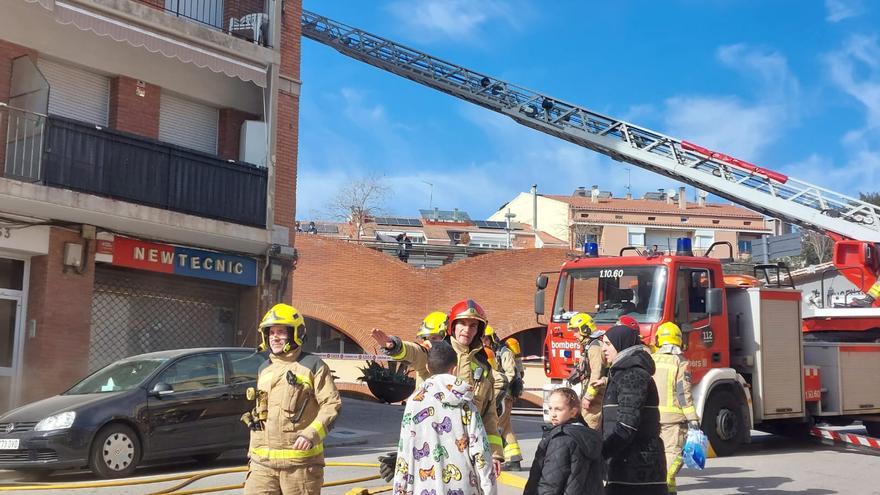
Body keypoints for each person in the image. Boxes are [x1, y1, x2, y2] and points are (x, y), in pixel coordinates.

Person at [373, 299, 505, 473]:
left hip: (467, 453)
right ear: (452, 326)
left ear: (479, 329)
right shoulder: (437, 351)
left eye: (473, 326)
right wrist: (395, 346)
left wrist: (494, 454)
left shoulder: (483, 366)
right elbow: (415, 352)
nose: (467, 330)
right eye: (462, 324)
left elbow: (489, 414)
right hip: (432, 448)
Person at [243, 304, 342, 495]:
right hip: (262, 464)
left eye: (281, 332)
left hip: (300, 467)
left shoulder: (313, 366)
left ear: (296, 333)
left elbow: (331, 405)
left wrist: (311, 433)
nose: (275, 337)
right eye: (271, 332)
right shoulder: (264, 368)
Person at [393, 341, 497, 495]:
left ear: (428, 368)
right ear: (454, 370)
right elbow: (481, 451)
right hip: (464, 487)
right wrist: (489, 490)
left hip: (422, 488)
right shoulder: (466, 403)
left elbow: (404, 451)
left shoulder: (413, 404)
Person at [600, 325, 666, 495]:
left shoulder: (632, 375)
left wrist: (601, 453)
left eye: (607, 343)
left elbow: (627, 425)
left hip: (637, 469)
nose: (603, 348)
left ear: (621, 344)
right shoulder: (620, 373)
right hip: (624, 463)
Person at [524, 387, 604, 495]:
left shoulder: (561, 439)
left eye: (558, 409)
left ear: (573, 412)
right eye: (550, 408)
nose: (553, 414)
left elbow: (551, 482)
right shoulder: (587, 435)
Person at [650, 322, 699, 495]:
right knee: (673, 452)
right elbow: (683, 393)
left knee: (657, 453)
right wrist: (693, 418)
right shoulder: (680, 362)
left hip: (652, 416)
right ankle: (666, 485)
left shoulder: (651, 359)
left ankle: (665, 487)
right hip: (673, 418)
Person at [483, 326, 523, 470]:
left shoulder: (504, 352)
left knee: (496, 425)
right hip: (496, 393)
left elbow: (510, 373)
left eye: (485, 338)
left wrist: (499, 389)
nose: (483, 341)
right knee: (505, 427)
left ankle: (495, 458)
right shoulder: (488, 352)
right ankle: (514, 459)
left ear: (492, 338)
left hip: (504, 395)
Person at [379, 311, 448, 388]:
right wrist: (395, 347)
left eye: (434, 338)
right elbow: (415, 352)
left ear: (447, 338)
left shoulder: (459, 357)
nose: (428, 342)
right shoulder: (426, 358)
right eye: (425, 339)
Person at [566, 313, 607, 430]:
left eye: (575, 330)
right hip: (592, 394)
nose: (574, 334)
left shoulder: (595, 348)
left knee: (589, 427)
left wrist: (589, 397)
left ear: (584, 329)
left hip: (597, 397)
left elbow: (596, 374)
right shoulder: (590, 346)